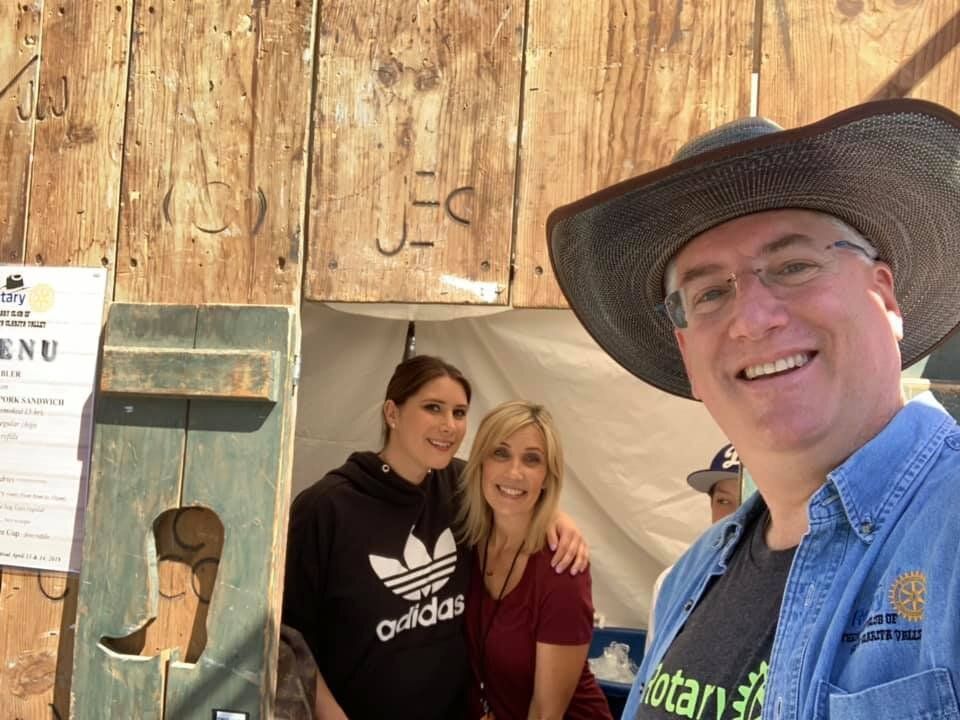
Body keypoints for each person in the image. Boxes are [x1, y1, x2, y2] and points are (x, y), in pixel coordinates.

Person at [547, 99, 960, 718]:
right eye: (710, 292)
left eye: (793, 265)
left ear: (884, 296)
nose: (754, 317)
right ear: (687, 353)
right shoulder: (687, 581)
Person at [282, 355, 589, 720]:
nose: (449, 425)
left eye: (459, 413)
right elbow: (290, 640)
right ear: (392, 413)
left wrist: (558, 517)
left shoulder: (459, 485)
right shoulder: (325, 508)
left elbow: (513, 488)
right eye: (433, 408)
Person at [458, 400, 613, 720]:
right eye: (500, 453)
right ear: (480, 462)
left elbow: (546, 712)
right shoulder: (467, 540)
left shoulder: (562, 568)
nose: (514, 472)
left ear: (546, 476)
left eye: (531, 459)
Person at [645, 444, 741, 651]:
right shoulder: (673, 582)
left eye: (750, 501)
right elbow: (651, 677)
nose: (736, 515)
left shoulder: (794, 586)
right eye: (723, 501)